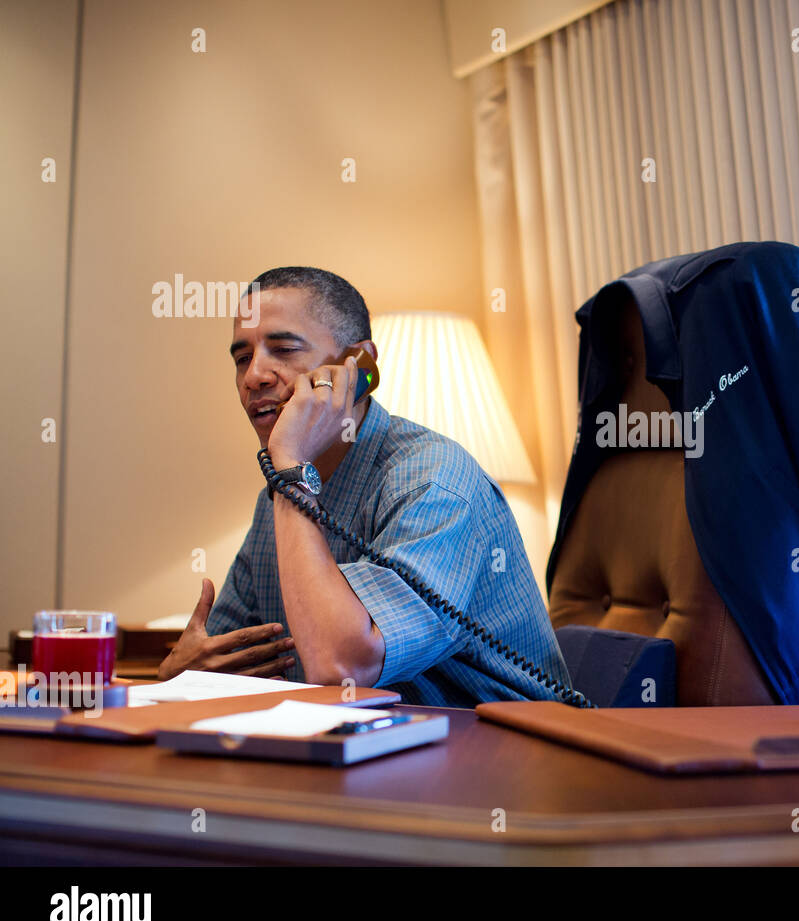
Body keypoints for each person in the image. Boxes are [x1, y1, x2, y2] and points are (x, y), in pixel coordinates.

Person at [157, 266, 572, 707]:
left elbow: (340, 667)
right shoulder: (278, 499)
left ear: (356, 366)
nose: (253, 376)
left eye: (282, 350)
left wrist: (291, 466)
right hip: (366, 757)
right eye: (242, 358)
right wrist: (176, 677)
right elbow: (223, 665)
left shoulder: (435, 480)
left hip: (503, 758)